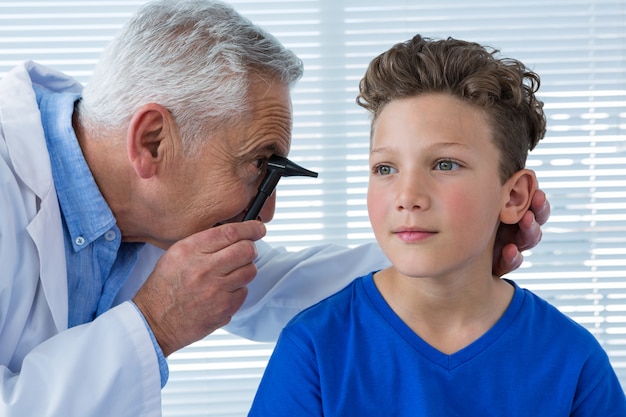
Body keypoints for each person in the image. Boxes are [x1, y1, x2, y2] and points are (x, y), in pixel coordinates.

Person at [0, 0, 549, 414]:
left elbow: (280, 290)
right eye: (260, 165)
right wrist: (152, 326)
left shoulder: (147, 215)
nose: (266, 214)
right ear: (152, 143)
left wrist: (455, 258)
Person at [248, 34, 626, 417]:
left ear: (513, 197)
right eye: (385, 168)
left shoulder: (571, 360)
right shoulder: (313, 349)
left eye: (445, 164)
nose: (408, 195)